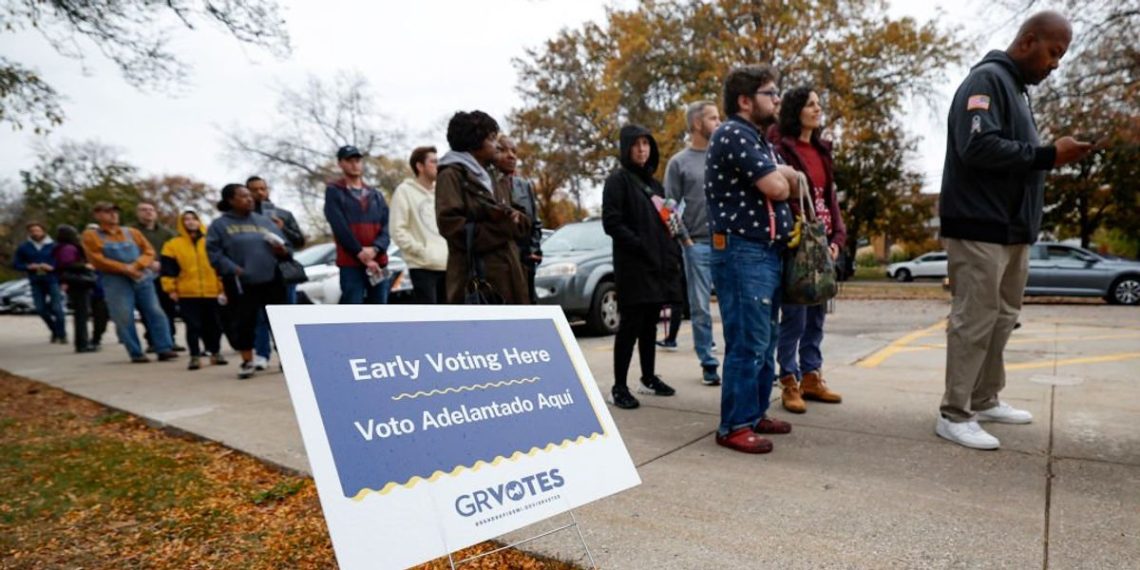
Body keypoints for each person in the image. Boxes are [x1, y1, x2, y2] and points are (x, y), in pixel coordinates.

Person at [936, 11, 1093, 450]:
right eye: (1053, 52)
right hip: (979, 226)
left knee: (1002, 318)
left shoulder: (1017, 91)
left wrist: (1047, 158)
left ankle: (984, 398)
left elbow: (1014, 156)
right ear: (1027, 41)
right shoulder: (986, 80)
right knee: (975, 318)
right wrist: (1046, 154)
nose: (1056, 64)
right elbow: (977, 145)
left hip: (1012, 230)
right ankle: (954, 412)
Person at [706, 64, 801, 454]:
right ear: (745, 101)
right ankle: (734, 425)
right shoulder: (733, 132)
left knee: (766, 340)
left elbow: (792, 180)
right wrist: (783, 174)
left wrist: (784, 173)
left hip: (764, 252)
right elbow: (780, 186)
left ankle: (755, 412)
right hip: (742, 250)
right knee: (748, 340)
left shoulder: (759, 139)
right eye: (770, 93)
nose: (778, 99)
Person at [772, 87, 847, 413]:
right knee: (795, 317)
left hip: (825, 241)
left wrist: (837, 239)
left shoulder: (821, 150)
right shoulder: (781, 149)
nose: (818, 109)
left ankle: (812, 376)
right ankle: (788, 379)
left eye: (819, 104)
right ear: (796, 111)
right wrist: (801, 237)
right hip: (799, 242)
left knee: (818, 313)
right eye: (810, 104)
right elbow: (784, 197)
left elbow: (830, 198)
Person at [601, 124, 684, 410]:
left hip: (657, 267)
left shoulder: (655, 184)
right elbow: (611, 223)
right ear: (626, 148)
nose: (642, 149)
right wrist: (640, 244)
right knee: (630, 326)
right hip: (633, 267)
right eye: (636, 144)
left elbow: (666, 222)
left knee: (650, 325)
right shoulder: (617, 181)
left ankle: (648, 378)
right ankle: (618, 386)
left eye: (646, 144)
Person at [435, 110, 531, 305]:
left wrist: (518, 219)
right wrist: (502, 227)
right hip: (477, 280)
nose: (496, 145)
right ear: (474, 141)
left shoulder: (494, 175)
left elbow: (519, 217)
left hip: (508, 273)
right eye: (492, 138)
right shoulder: (452, 175)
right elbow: (451, 226)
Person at [663, 100, 723, 385]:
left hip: (729, 244)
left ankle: (742, 362)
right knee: (700, 307)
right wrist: (684, 240)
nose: (719, 123)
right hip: (696, 244)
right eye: (713, 118)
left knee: (736, 306)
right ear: (698, 124)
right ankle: (708, 362)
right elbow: (669, 208)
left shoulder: (723, 156)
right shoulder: (679, 162)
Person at [207, 184, 290, 379]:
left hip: (272, 280)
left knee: (279, 322)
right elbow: (214, 254)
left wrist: (281, 250)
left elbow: (287, 248)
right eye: (243, 196)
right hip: (241, 282)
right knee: (244, 322)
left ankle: (286, 360)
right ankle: (247, 361)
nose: (250, 199)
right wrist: (235, 270)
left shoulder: (264, 221)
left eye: (249, 196)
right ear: (230, 201)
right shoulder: (220, 225)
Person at [81, 202, 178, 363]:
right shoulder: (91, 236)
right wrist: (124, 268)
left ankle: (164, 348)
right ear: (97, 215)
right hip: (115, 280)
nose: (113, 215)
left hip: (142, 276)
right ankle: (136, 352)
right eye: (107, 212)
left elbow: (149, 251)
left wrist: (136, 266)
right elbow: (97, 259)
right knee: (123, 316)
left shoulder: (132, 232)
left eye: (115, 211)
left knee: (155, 312)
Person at [248, 175, 305, 369]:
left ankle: (287, 355)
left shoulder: (283, 214)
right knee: (259, 316)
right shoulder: (244, 219)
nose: (259, 193)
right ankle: (262, 355)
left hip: (283, 272)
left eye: (262, 188)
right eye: (254, 189)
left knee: (285, 316)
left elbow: (299, 241)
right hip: (257, 274)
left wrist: (283, 229)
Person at [323, 146, 391, 304]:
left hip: (379, 263)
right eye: (349, 160)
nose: (355, 164)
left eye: (358, 160)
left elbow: (387, 227)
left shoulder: (376, 195)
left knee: (381, 312)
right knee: (353, 313)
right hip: (351, 263)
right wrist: (360, 252)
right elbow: (339, 226)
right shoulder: (334, 191)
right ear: (340, 163)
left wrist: (376, 249)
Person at [161, 211, 227, 371]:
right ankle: (195, 356)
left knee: (215, 325)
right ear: (181, 223)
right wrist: (171, 288)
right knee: (193, 326)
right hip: (188, 292)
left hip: (211, 291)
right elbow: (168, 269)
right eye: (186, 220)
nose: (190, 222)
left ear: (199, 221)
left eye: (193, 219)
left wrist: (223, 287)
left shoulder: (211, 241)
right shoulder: (173, 245)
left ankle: (215, 353)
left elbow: (220, 266)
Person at [390, 146, 448, 304]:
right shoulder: (404, 192)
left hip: (448, 266)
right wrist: (421, 251)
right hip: (422, 267)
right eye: (433, 162)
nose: (438, 165)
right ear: (420, 166)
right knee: (430, 320)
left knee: (449, 318)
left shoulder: (443, 191)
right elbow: (397, 230)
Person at [493, 135, 544, 303]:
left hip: (525, 262)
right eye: (504, 150)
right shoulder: (487, 185)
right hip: (501, 264)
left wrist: (533, 250)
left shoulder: (524, 185)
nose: (511, 156)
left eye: (514, 151)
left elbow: (535, 223)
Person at [135, 200, 183, 352]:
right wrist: (148, 263)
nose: (148, 212)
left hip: (163, 273)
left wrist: (165, 265)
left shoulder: (166, 232)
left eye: (151, 209)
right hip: (142, 273)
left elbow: (175, 250)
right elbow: (130, 251)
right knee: (148, 309)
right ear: (138, 213)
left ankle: (170, 339)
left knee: (167, 308)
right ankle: (152, 341)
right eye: (143, 209)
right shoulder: (133, 232)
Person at [13, 222, 67, 344]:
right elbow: (16, 264)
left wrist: (52, 267)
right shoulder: (24, 247)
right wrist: (28, 266)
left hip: (52, 279)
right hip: (35, 280)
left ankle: (62, 335)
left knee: (57, 308)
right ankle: (54, 330)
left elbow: (63, 262)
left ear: (43, 231)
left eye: (37, 230)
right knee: (40, 309)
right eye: (32, 231)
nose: (35, 233)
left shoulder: (54, 246)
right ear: (29, 232)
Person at [52, 224, 97, 352]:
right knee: (81, 314)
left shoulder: (61, 248)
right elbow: (67, 264)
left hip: (74, 282)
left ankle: (83, 342)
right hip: (78, 283)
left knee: (81, 314)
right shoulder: (68, 248)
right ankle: (82, 343)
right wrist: (85, 266)